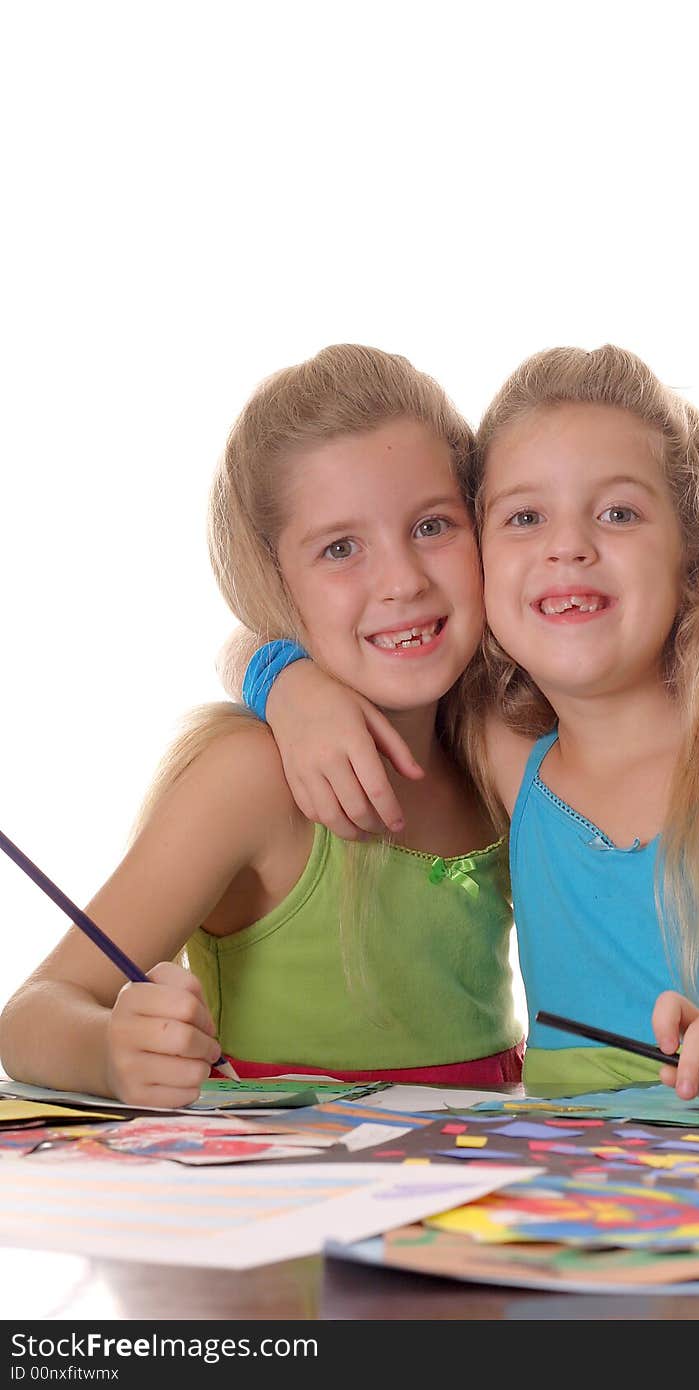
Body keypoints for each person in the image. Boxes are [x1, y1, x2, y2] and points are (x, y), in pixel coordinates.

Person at [228, 346, 699, 1099]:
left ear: (692, 553)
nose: (568, 545)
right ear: (480, 560)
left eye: (618, 512)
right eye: (525, 517)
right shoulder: (506, 761)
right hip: (575, 1212)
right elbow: (346, 623)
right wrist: (283, 679)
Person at [0, 345, 524, 1107]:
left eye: (433, 525)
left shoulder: (492, 749)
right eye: (341, 548)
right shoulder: (250, 778)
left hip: (477, 1197)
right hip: (279, 1209)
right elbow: (28, 1017)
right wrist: (110, 1052)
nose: (403, 580)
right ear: (273, 580)